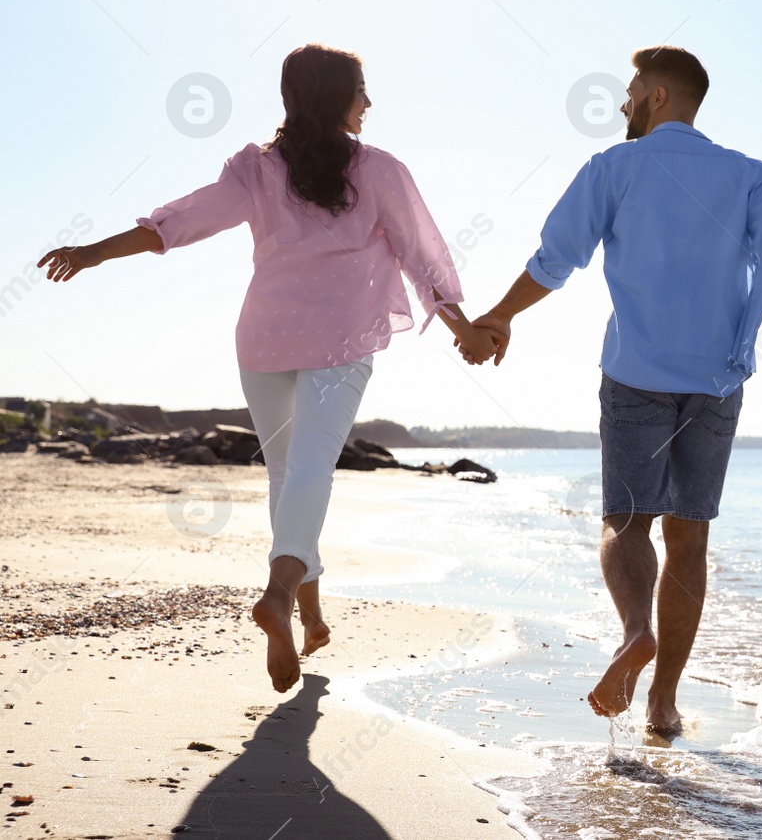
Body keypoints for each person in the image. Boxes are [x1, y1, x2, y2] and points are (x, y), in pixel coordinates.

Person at [37, 43, 497, 693]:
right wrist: (464, 328)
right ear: (337, 96)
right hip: (339, 342)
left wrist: (92, 252)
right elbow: (425, 258)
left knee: (289, 477)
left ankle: (309, 612)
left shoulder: (256, 167)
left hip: (264, 339)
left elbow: (179, 221)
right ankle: (280, 595)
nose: (369, 102)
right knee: (309, 471)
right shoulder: (380, 169)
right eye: (362, 90)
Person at [467, 45, 762, 736]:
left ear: (661, 96)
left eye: (632, 89)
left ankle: (633, 631)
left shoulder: (613, 168)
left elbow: (555, 261)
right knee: (690, 539)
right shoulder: (751, 176)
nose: (624, 102)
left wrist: (499, 316)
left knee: (625, 520)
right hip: (715, 382)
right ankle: (663, 702)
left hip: (637, 374)